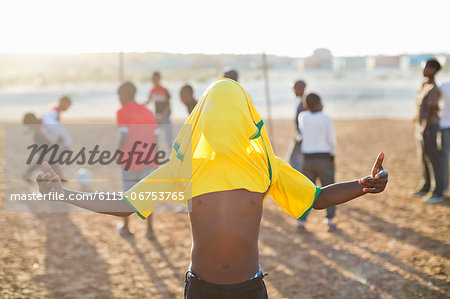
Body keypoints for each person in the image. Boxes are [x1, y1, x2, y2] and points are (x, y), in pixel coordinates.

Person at [37, 79, 388, 298]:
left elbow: (318, 198)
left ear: (244, 118)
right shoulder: (183, 167)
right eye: (215, 116)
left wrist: (363, 185)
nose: (222, 122)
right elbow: (127, 204)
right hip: (200, 289)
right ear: (202, 121)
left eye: (230, 114)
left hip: (251, 288)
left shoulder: (265, 165)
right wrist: (63, 194)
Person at [116, 82, 159, 238]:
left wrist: (117, 153)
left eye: (119, 95)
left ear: (126, 95)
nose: (118, 98)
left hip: (130, 159)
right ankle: (150, 230)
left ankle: (126, 227)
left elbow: (123, 136)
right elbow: (156, 137)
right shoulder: (147, 111)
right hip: (148, 158)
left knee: (127, 195)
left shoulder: (122, 111)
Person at [296, 93, 337, 232]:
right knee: (329, 189)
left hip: (307, 158)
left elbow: (302, 131)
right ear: (320, 103)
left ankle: (301, 221)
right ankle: (329, 220)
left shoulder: (303, 117)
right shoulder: (326, 119)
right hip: (324, 157)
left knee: (307, 190)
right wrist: (333, 156)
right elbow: (331, 141)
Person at [411, 59, 444, 203]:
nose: (422, 70)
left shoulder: (434, 88)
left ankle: (437, 192)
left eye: (425, 68)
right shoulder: (425, 85)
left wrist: (424, 129)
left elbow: (431, 111)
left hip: (430, 128)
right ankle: (425, 186)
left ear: (433, 69)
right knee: (424, 158)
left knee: (434, 160)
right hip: (423, 127)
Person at [146, 71, 172, 147]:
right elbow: (148, 101)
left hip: (165, 116)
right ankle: (155, 156)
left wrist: (164, 115)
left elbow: (168, 104)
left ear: (159, 79)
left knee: (168, 137)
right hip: (157, 116)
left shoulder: (164, 89)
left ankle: (171, 155)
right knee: (155, 137)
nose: (154, 80)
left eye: (156, 78)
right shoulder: (152, 90)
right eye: (153, 78)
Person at [288, 80, 307, 171]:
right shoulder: (303, 100)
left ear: (300, 88)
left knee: (293, 159)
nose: (293, 91)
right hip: (301, 134)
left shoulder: (304, 102)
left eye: (294, 88)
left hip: (302, 136)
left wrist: (301, 134)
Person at [439, 80, 450, 197]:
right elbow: (433, 102)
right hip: (445, 126)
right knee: (444, 159)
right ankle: (444, 188)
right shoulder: (444, 86)